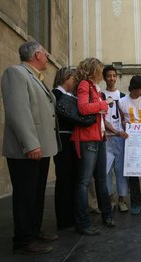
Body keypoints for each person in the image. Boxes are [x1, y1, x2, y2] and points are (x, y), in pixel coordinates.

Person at [1, 41, 60, 255]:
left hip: (41, 148)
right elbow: (18, 112)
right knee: (26, 195)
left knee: (36, 193)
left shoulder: (36, 76)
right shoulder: (16, 73)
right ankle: (24, 240)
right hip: (27, 149)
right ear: (36, 55)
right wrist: (31, 143)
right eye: (45, 53)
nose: (47, 56)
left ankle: (34, 231)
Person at [71, 57, 115, 236]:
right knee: (83, 182)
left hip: (100, 137)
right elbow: (83, 108)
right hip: (88, 139)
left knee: (102, 180)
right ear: (93, 70)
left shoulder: (95, 88)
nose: (102, 73)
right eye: (99, 69)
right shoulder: (84, 85)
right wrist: (105, 104)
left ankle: (107, 214)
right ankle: (82, 222)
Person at [118, 75, 141, 215]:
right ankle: (136, 203)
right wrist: (124, 125)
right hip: (130, 142)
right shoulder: (122, 102)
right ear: (134, 89)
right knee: (132, 174)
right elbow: (121, 121)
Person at [52, 67, 77, 230]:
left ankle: (70, 215)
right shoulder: (56, 95)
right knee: (64, 179)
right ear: (66, 78)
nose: (74, 82)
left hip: (70, 139)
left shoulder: (67, 96)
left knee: (71, 179)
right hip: (63, 139)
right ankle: (64, 219)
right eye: (72, 78)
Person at [102, 65, 129, 212]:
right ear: (105, 77)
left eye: (114, 75)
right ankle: (110, 198)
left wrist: (126, 126)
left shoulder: (123, 96)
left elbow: (125, 117)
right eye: (108, 76)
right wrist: (115, 131)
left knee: (121, 170)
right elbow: (101, 119)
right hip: (106, 138)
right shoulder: (101, 96)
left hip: (121, 139)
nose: (111, 78)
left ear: (116, 77)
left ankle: (122, 199)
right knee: (107, 170)